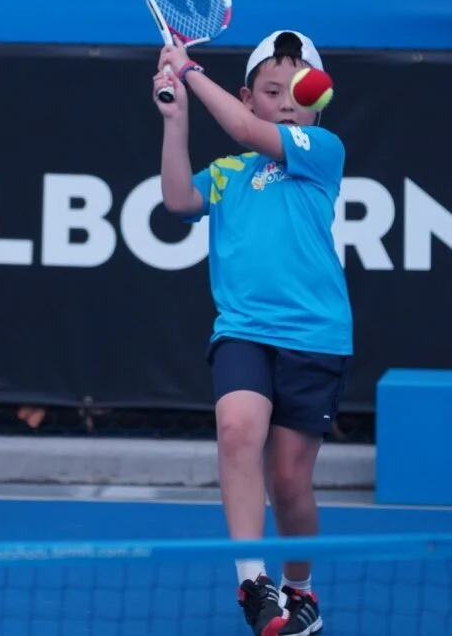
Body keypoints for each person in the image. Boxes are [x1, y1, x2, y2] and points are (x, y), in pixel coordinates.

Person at [153, 31, 352, 636]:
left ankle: (301, 588)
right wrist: (175, 117)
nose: (287, 102)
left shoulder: (321, 149)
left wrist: (188, 72)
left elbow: (244, 129)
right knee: (237, 429)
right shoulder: (229, 173)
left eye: (299, 93)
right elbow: (178, 200)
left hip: (314, 336)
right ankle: (252, 582)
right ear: (248, 95)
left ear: (317, 106)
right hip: (242, 329)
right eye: (272, 92)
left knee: (290, 482)